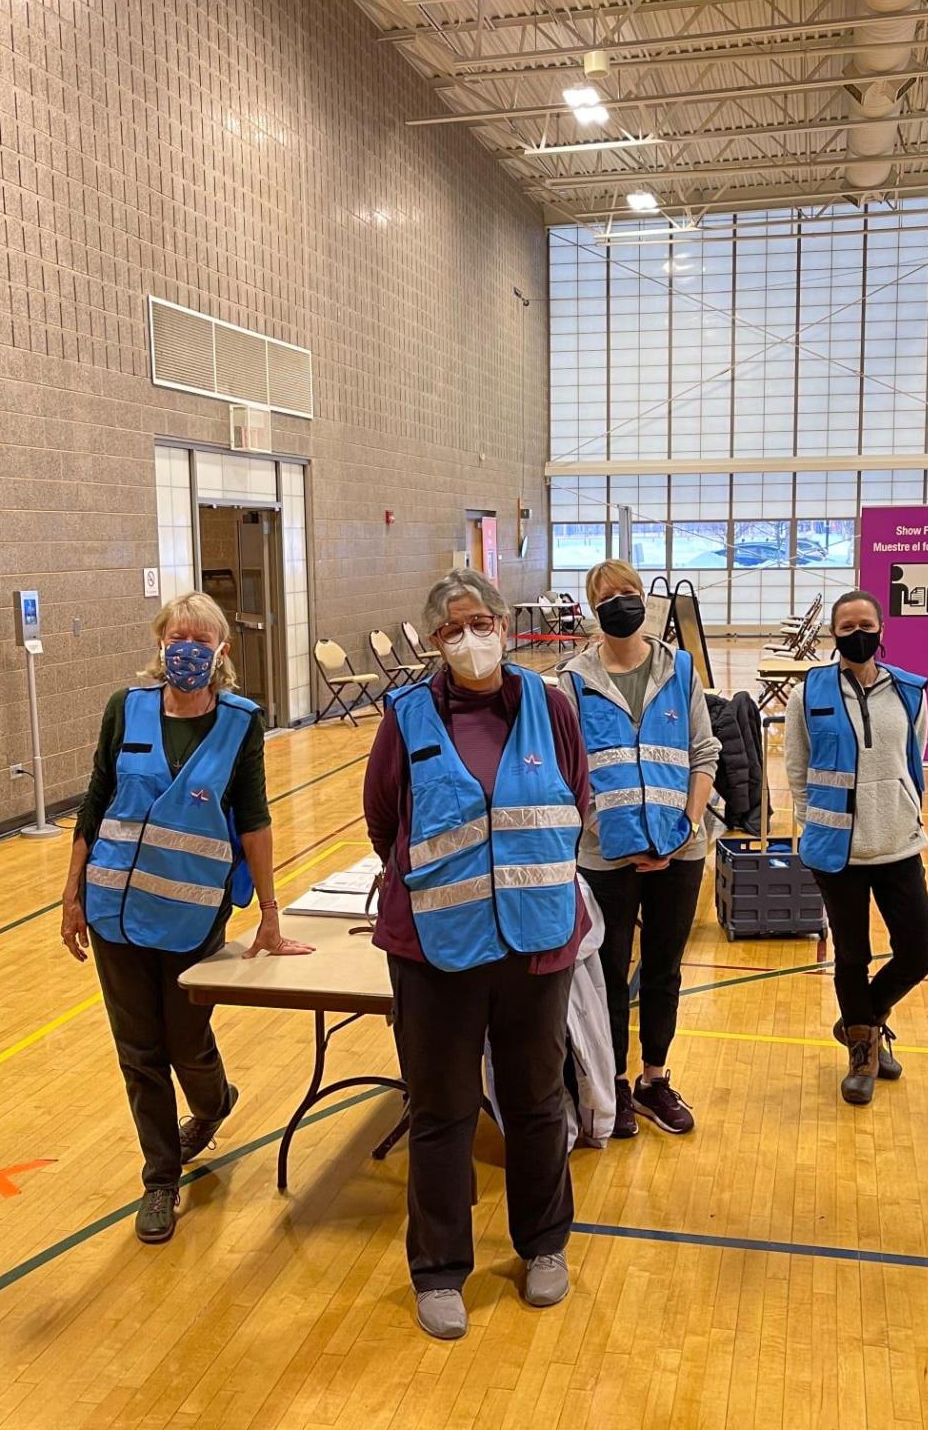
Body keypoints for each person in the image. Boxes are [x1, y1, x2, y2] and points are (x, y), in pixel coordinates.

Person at [363, 568, 590, 1341]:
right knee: (442, 1113)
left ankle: (545, 1247)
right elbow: (385, 820)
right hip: (437, 950)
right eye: (456, 628)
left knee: (534, 1104)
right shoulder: (404, 718)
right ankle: (438, 1271)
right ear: (436, 641)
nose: (473, 638)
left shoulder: (550, 707)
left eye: (483, 621)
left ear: (504, 623)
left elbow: (576, 798)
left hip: (534, 943)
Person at [60, 592, 311, 1245]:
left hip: (190, 912)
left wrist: (271, 915)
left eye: (202, 639)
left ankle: (213, 1101)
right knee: (138, 1053)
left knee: (185, 1041)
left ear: (221, 650)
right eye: (178, 636)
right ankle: (160, 1180)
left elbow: (254, 820)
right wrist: (72, 892)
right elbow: (96, 799)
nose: (188, 649)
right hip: (114, 907)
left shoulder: (238, 723)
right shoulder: (126, 708)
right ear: (160, 640)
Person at [560, 559, 719, 1137]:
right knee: (606, 970)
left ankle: (654, 1077)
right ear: (592, 607)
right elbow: (569, 772)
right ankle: (614, 1084)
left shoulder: (680, 668)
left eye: (629, 592)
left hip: (681, 850)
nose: (621, 602)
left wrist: (684, 827)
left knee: (663, 969)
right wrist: (619, 837)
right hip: (605, 855)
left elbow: (704, 753)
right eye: (608, 596)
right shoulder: (573, 681)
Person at [787, 589, 928, 1106]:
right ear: (833, 633)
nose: (856, 633)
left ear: (881, 628)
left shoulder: (910, 691)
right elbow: (797, 768)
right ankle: (864, 1052)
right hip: (837, 851)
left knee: (918, 953)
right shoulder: (809, 691)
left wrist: (905, 807)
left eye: (864, 624)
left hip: (898, 843)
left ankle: (862, 1020)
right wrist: (810, 824)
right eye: (845, 626)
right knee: (852, 955)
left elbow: (912, 760)